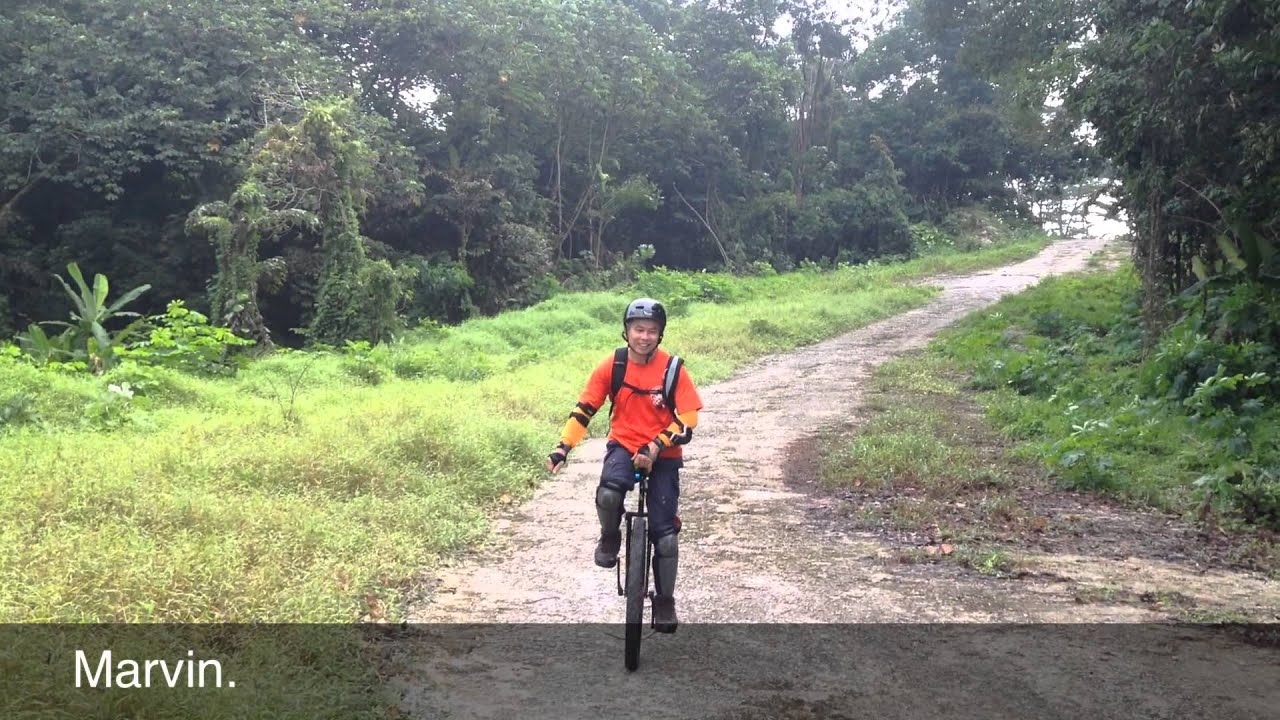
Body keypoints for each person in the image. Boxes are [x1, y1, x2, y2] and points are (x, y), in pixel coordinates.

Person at [546, 297, 703, 633]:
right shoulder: (613, 366)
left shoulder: (673, 369)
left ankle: (664, 601)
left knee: (666, 538)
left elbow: (689, 417)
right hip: (624, 443)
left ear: (660, 335)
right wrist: (564, 447)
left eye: (652, 331)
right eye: (638, 329)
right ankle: (609, 536)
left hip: (664, 452)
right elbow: (584, 409)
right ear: (626, 331)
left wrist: (658, 445)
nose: (644, 336)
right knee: (608, 494)